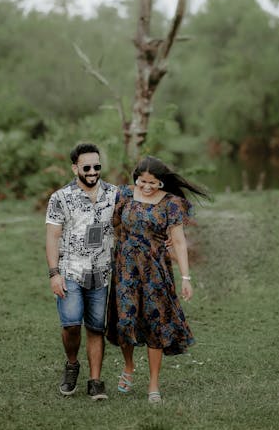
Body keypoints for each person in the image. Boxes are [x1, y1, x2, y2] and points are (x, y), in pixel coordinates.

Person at [106, 155, 207, 403]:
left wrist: (185, 277)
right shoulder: (124, 196)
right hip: (125, 270)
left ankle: (153, 385)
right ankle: (128, 367)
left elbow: (180, 242)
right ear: (136, 179)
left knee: (155, 325)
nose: (147, 187)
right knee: (125, 320)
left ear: (162, 182)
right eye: (142, 182)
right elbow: (112, 223)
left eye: (154, 183)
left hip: (156, 273)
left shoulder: (171, 204)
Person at [46, 142, 117, 400]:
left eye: (97, 166)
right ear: (75, 167)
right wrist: (54, 273)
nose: (92, 171)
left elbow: (135, 219)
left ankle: (95, 381)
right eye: (86, 167)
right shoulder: (60, 198)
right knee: (72, 325)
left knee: (96, 328)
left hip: (101, 272)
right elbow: (52, 238)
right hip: (70, 272)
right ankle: (72, 364)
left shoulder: (114, 195)